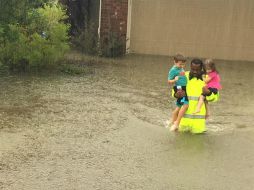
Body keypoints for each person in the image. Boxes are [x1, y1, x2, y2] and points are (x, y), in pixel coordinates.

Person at [175, 58, 207, 134]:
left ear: (201, 69)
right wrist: (176, 93)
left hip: (198, 124)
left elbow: (215, 96)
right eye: (193, 69)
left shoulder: (207, 79)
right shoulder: (183, 75)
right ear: (190, 67)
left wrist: (209, 94)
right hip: (183, 121)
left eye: (197, 70)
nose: (195, 71)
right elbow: (175, 89)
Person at [168, 54, 189, 131]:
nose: (182, 66)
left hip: (183, 88)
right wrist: (174, 80)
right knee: (185, 105)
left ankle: (172, 122)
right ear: (175, 62)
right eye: (180, 64)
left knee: (179, 106)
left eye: (183, 64)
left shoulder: (180, 68)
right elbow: (169, 81)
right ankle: (176, 123)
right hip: (180, 88)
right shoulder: (173, 70)